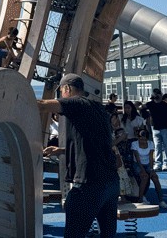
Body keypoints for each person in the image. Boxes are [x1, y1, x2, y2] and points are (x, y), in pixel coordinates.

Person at [38, 73, 119, 238]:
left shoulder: (76, 103)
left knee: (74, 233)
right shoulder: (98, 108)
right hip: (111, 183)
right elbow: (94, 143)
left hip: (90, 184)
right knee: (107, 234)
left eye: (61, 92)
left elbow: (43, 105)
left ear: (66, 88)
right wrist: (60, 150)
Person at [131, 128, 167, 209]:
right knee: (145, 177)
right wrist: (143, 170)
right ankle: (140, 200)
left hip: (147, 164)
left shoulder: (151, 143)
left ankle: (161, 200)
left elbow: (151, 157)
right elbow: (137, 158)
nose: (142, 141)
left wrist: (151, 170)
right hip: (137, 164)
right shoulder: (134, 144)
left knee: (155, 178)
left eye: (144, 139)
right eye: (140, 138)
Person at [146, 89, 167, 171]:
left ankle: (166, 163)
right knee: (157, 146)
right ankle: (158, 163)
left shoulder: (165, 105)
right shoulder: (150, 104)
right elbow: (141, 107)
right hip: (155, 128)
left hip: (165, 128)